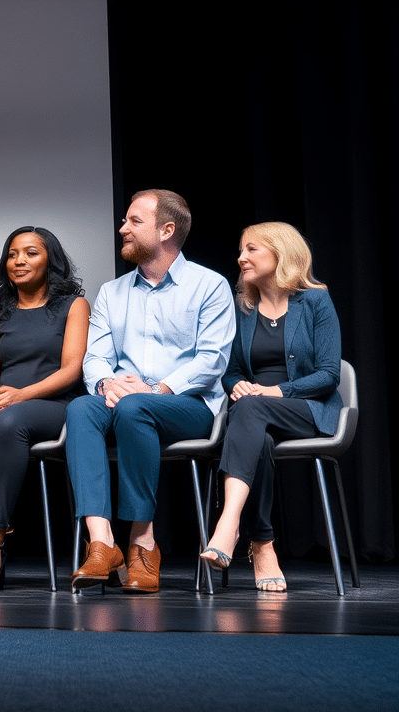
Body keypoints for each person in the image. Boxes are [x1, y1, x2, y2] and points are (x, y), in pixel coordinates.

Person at [67, 189, 235, 594]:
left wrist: (156, 388)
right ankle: (102, 542)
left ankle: (143, 542)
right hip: (123, 401)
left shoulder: (210, 286)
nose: (122, 228)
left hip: (189, 406)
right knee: (81, 409)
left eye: (133, 222)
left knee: (137, 407)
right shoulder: (112, 291)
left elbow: (212, 360)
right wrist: (106, 383)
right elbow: (96, 357)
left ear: (166, 230)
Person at [199, 222, 341, 593]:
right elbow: (229, 373)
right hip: (254, 413)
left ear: (281, 253)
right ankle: (262, 544)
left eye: (251, 250)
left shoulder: (315, 301)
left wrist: (278, 390)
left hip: (306, 408)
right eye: (242, 250)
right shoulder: (242, 307)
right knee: (251, 424)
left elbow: (329, 374)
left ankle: (228, 526)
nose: (240, 257)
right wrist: (239, 385)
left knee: (252, 409)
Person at [0, 226, 88, 591]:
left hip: (53, 404)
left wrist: (19, 396)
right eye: (12, 254)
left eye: (30, 253)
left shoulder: (73, 306)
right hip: (5, 400)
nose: (19, 261)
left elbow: (72, 370)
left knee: (10, 422)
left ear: (50, 260)